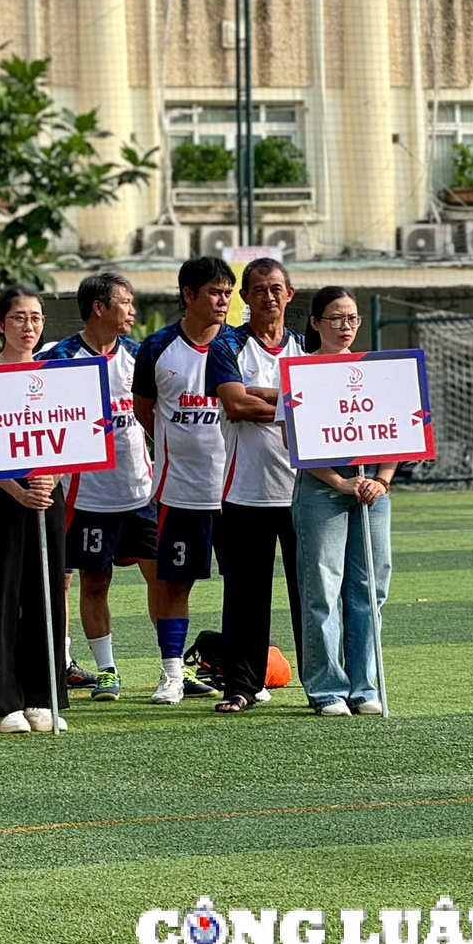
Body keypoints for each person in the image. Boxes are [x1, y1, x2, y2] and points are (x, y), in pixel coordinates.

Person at [38, 272, 155, 703]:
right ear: (99, 308)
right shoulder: (59, 358)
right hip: (86, 498)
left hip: (142, 490)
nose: (132, 311)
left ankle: (172, 669)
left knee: (162, 580)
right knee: (93, 584)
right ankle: (106, 670)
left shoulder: (142, 357)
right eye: (124, 302)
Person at [131, 255, 235, 704]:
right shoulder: (156, 348)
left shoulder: (237, 345)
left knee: (244, 585)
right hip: (180, 491)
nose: (223, 300)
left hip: (237, 490)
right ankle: (173, 673)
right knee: (173, 584)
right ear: (188, 296)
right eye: (214, 292)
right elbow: (143, 409)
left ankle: (239, 674)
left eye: (228, 292)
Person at [289, 287, 393, 717]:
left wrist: (382, 481)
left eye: (351, 318)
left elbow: (394, 430)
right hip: (320, 491)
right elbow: (293, 438)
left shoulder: (377, 369)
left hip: (372, 492)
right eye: (335, 318)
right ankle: (326, 688)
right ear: (315, 323)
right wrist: (340, 481)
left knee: (370, 587)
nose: (345, 327)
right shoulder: (300, 371)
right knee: (322, 588)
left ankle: (365, 685)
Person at [208, 257, 305, 714]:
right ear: (245, 298)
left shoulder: (306, 348)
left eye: (276, 288)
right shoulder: (228, 346)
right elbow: (234, 405)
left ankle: (324, 685)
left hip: (306, 491)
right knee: (246, 596)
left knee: (314, 593)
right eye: (259, 289)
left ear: (290, 295)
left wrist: (264, 394)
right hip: (246, 489)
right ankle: (241, 687)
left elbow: (321, 406)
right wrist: (293, 402)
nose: (269, 296)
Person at [0, 288, 67, 734]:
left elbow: (75, 434)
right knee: (2, 598)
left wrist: (54, 477)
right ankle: (2, 702)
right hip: (2, 498)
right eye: (17, 318)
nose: (27, 327)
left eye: (35, 318)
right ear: (0, 324)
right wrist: (14, 489)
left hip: (47, 496)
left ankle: (43, 696)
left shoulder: (55, 375)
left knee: (46, 595)